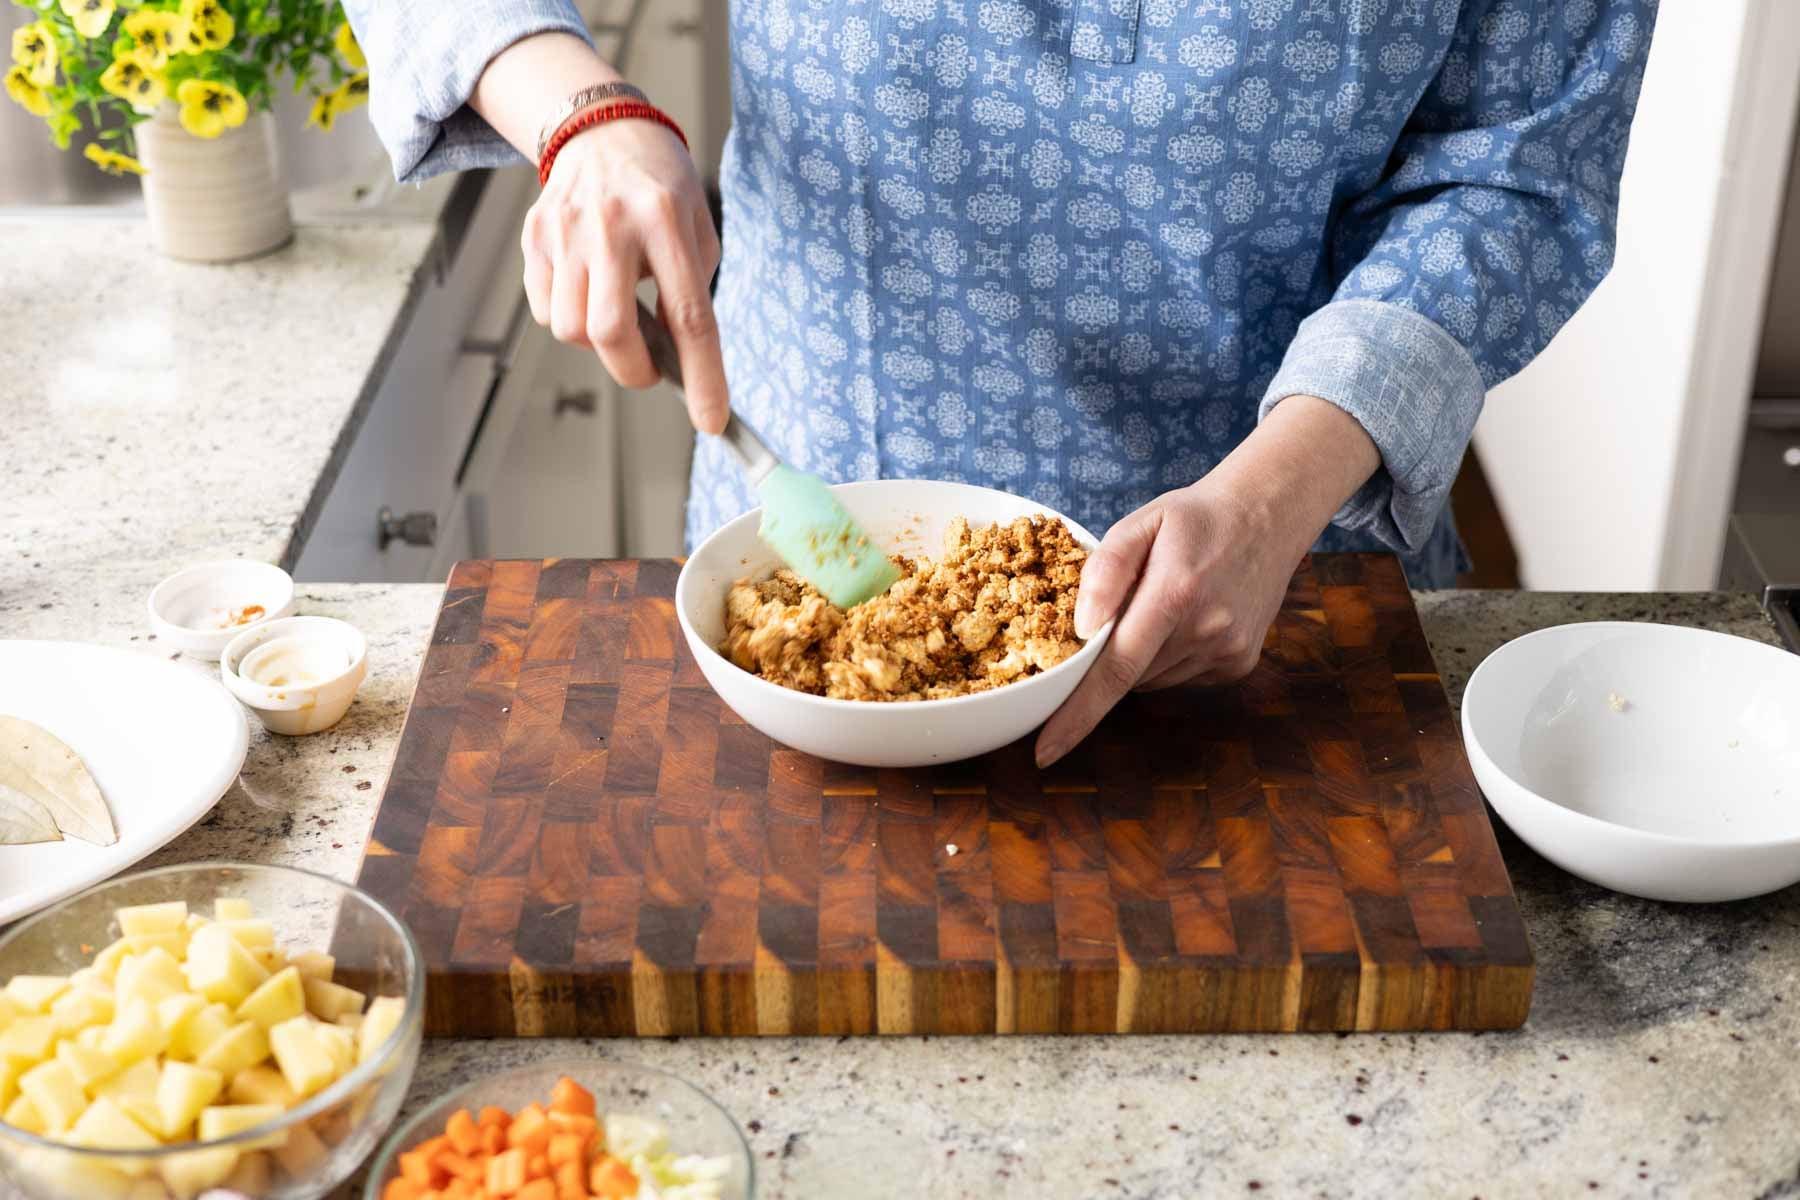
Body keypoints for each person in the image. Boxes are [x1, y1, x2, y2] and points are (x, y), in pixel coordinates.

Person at [345, 0, 1656, 765]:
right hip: (814, 547)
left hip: (1280, 588)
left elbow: (1518, 176)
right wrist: (576, 111)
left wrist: (1270, 500)